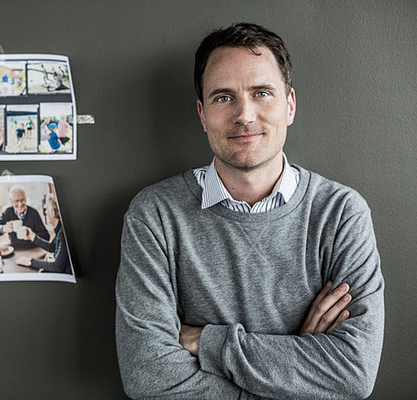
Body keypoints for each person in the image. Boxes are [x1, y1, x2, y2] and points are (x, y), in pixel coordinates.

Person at [115, 23, 384, 399]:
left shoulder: (341, 214)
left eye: (261, 93)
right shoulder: (155, 215)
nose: (244, 114)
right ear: (202, 113)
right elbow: (148, 376)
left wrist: (208, 342)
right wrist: (294, 369)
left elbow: (353, 374)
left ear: (289, 105)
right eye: (223, 97)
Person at [15, 195, 70, 274]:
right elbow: (52, 247)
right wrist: (33, 237)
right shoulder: (59, 229)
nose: (45, 212)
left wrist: (30, 262)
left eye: (46, 209)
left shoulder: (63, 234)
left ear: (53, 212)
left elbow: (57, 267)